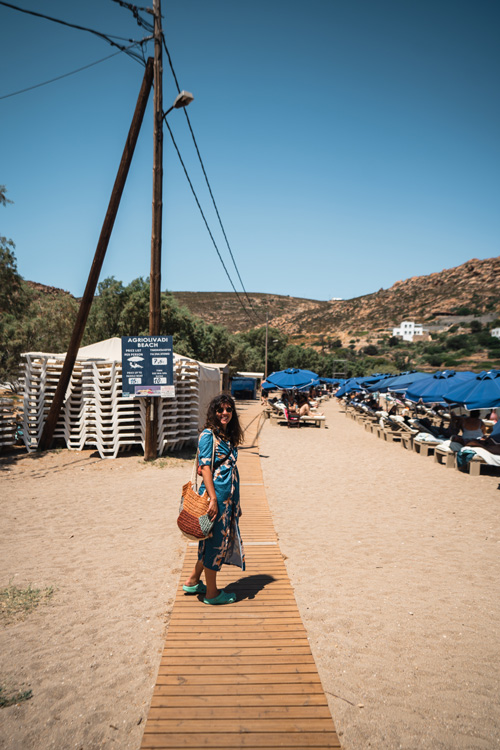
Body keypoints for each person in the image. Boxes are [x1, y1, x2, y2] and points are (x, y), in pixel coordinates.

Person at [183, 394, 245, 605]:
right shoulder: (209, 435)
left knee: (208, 541)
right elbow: (206, 468)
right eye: (220, 410)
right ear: (214, 412)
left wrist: (235, 503)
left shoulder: (226, 435)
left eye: (228, 409)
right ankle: (212, 593)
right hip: (216, 497)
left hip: (227, 498)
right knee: (215, 544)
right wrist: (212, 499)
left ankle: (192, 581)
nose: (224, 413)